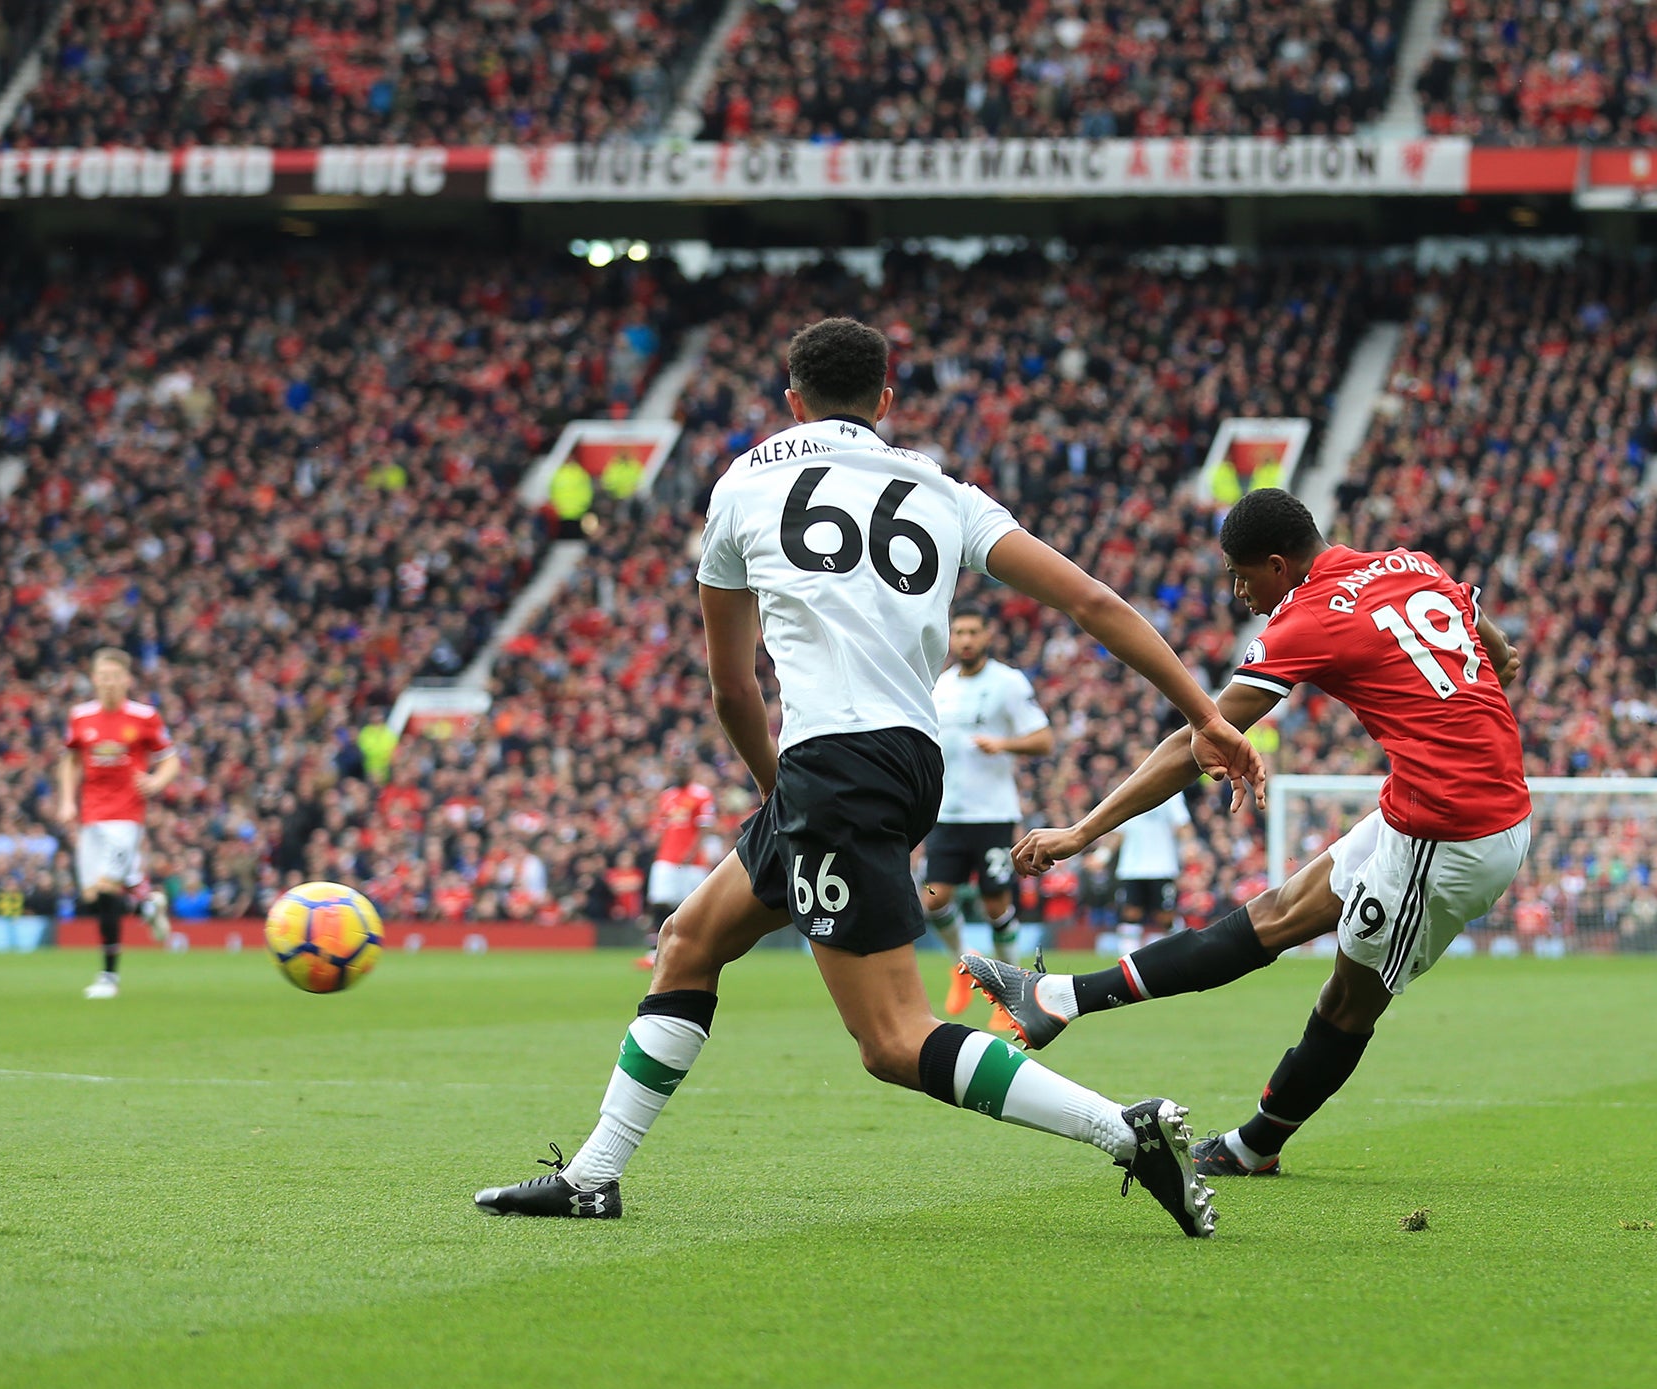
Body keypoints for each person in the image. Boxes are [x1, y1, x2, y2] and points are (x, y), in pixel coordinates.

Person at [474, 317, 1265, 1236]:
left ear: (790, 400)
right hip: (903, 758)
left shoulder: (745, 482)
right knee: (689, 939)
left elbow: (733, 689)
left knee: (893, 1040)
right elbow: (1092, 600)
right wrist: (1206, 715)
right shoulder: (944, 491)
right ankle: (594, 1176)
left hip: (827, 762)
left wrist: (779, 788)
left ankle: (1126, 1133)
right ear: (886, 400)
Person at [964, 488, 1530, 1178]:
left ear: (1277, 564)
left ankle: (1257, 1145)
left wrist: (1082, 832)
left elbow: (1196, 742)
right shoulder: (1408, 562)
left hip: (1452, 835)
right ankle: (1059, 998)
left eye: (1241, 577)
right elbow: (1487, 636)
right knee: (1276, 914)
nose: (1238, 594)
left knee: (1348, 1000)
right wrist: (1485, 687)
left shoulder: (1309, 618)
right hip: (1428, 806)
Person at [921, 604, 1054, 1014]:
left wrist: (1004, 744)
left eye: (972, 632)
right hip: (947, 814)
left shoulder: (1008, 683)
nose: (964, 640)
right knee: (933, 899)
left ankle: (1009, 990)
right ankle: (964, 965)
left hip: (993, 814)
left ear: (987, 636)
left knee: (994, 902)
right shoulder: (941, 685)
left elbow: (1044, 739)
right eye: (958, 632)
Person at [55, 647, 181, 998]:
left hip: (126, 817)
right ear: (94, 679)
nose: (109, 682)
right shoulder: (80, 716)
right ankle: (145, 900)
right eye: (103, 676)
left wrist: (156, 782)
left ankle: (109, 977)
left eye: (115, 676)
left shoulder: (145, 716)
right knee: (92, 896)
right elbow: (69, 761)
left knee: (109, 889)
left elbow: (171, 760)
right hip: (90, 816)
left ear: (127, 680)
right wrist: (66, 800)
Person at [635, 772, 718, 970]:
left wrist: (692, 850)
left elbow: (705, 826)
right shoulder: (667, 796)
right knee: (659, 904)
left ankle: (696, 953)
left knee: (693, 907)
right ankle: (656, 952)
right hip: (667, 859)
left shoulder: (701, 794)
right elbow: (663, 827)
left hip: (692, 862)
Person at [1108, 791, 1191, 953]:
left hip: (1162, 867)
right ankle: (1128, 960)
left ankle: (1179, 951)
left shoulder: (1171, 791)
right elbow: (1118, 832)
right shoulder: (1128, 791)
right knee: (1131, 913)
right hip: (1131, 868)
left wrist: (1188, 845)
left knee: (1165, 916)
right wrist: (1102, 855)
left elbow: (1182, 824)